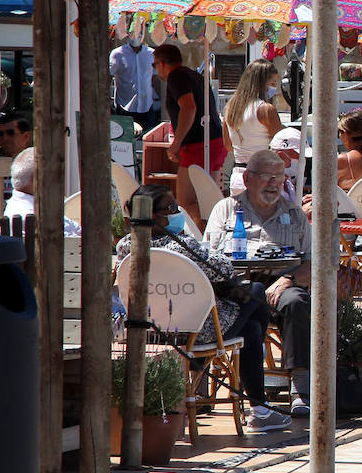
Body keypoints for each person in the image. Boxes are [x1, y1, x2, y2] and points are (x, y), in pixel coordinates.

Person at [116, 185, 291, 433]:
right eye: (172, 208)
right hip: (196, 331)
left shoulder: (125, 247)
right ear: (154, 216)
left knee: (251, 329)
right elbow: (225, 269)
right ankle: (258, 406)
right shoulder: (181, 247)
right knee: (256, 293)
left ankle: (259, 404)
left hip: (149, 330)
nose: (178, 212)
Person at [204, 149, 314, 418]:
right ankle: (214, 383)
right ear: (248, 178)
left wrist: (288, 279)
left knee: (297, 302)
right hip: (235, 290)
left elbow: (315, 262)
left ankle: (301, 390)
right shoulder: (227, 209)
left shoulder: (295, 214)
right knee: (251, 303)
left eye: (279, 177)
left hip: (281, 286)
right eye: (266, 177)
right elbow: (208, 256)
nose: (274, 183)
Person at [153, 43, 227, 229]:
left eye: (154, 65)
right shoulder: (194, 75)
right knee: (208, 197)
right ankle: (211, 231)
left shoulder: (176, 77)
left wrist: (176, 144)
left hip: (198, 145)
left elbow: (189, 107)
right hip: (214, 141)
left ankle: (208, 230)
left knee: (185, 202)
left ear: (162, 63)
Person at [223, 59, 285, 196]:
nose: (275, 87)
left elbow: (228, 145)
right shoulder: (265, 109)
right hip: (261, 176)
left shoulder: (230, 108)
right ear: (263, 84)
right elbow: (281, 143)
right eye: (273, 83)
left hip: (238, 176)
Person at [5, 149, 80, 235]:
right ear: (38, 180)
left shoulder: (20, 205)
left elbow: (77, 230)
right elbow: (77, 240)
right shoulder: (34, 215)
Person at [109, 33, 159, 134]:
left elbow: (155, 77)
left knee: (146, 141)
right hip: (125, 107)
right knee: (124, 143)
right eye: (133, 32)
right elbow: (108, 76)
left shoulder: (151, 54)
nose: (136, 35)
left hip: (146, 107)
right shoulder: (117, 54)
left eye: (140, 32)